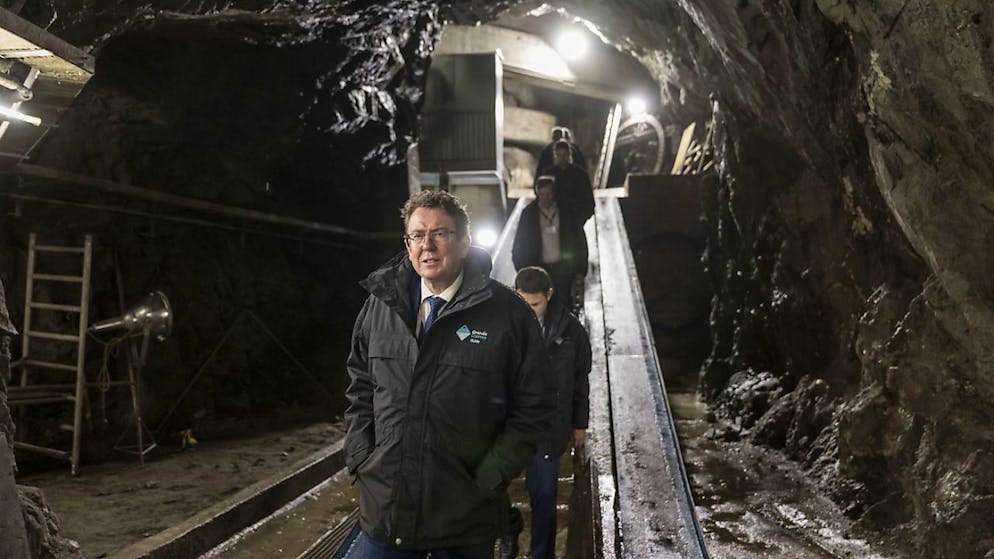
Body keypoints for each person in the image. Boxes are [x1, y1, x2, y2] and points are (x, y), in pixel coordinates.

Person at [345, 189, 555, 558]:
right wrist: (362, 455)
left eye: (440, 234)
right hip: (386, 508)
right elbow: (361, 386)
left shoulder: (508, 315)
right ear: (407, 244)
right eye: (417, 235)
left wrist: (491, 474)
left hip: (464, 515)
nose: (428, 246)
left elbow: (534, 405)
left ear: (463, 242)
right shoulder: (379, 308)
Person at [500, 267, 592, 559]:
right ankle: (508, 530)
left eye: (535, 304)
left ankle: (542, 555)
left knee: (544, 497)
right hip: (509, 426)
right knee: (487, 490)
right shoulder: (501, 326)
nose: (529, 311)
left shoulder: (571, 331)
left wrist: (580, 425)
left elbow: (580, 381)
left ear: (549, 295)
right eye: (523, 303)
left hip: (547, 427)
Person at [511, 176, 588, 306]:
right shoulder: (529, 214)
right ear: (537, 194)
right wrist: (522, 269)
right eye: (542, 194)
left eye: (548, 194)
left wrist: (580, 269)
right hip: (539, 268)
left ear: (554, 193)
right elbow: (520, 243)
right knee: (542, 305)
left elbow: (579, 239)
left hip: (563, 267)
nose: (546, 198)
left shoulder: (567, 211)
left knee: (563, 303)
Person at [549, 139, 594, 228]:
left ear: (569, 154)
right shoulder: (549, 174)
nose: (562, 158)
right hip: (555, 223)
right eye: (559, 155)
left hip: (575, 222)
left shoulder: (581, 174)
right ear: (555, 156)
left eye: (564, 155)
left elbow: (589, 201)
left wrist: (581, 219)